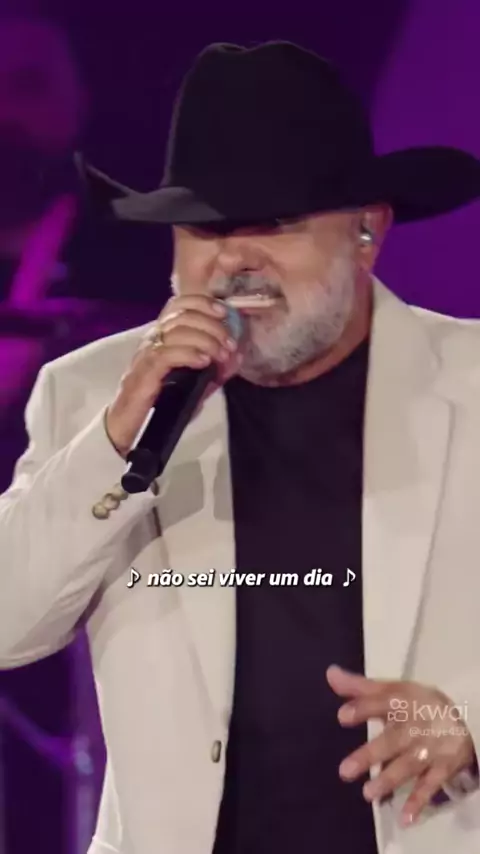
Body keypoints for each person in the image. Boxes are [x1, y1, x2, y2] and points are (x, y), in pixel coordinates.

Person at [2, 39, 480, 854]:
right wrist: (117, 440)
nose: (234, 260)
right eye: (206, 229)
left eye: (276, 224)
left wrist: (471, 719)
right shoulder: (92, 396)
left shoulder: (470, 384)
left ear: (367, 229)